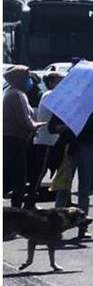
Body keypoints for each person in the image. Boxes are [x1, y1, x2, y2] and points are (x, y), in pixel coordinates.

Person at [3, 65, 44, 208]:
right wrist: (38, 125)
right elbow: (25, 121)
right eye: (27, 78)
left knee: (10, 177)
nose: (29, 81)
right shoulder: (18, 95)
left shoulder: (11, 93)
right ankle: (16, 213)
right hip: (15, 140)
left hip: (10, 139)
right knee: (19, 179)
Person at [28, 72, 64, 207]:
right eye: (60, 82)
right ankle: (30, 201)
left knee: (62, 171)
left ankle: (64, 200)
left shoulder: (52, 95)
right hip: (46, 140)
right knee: (40, 173)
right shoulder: (50, 95)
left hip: (55, 140)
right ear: (51, 83)